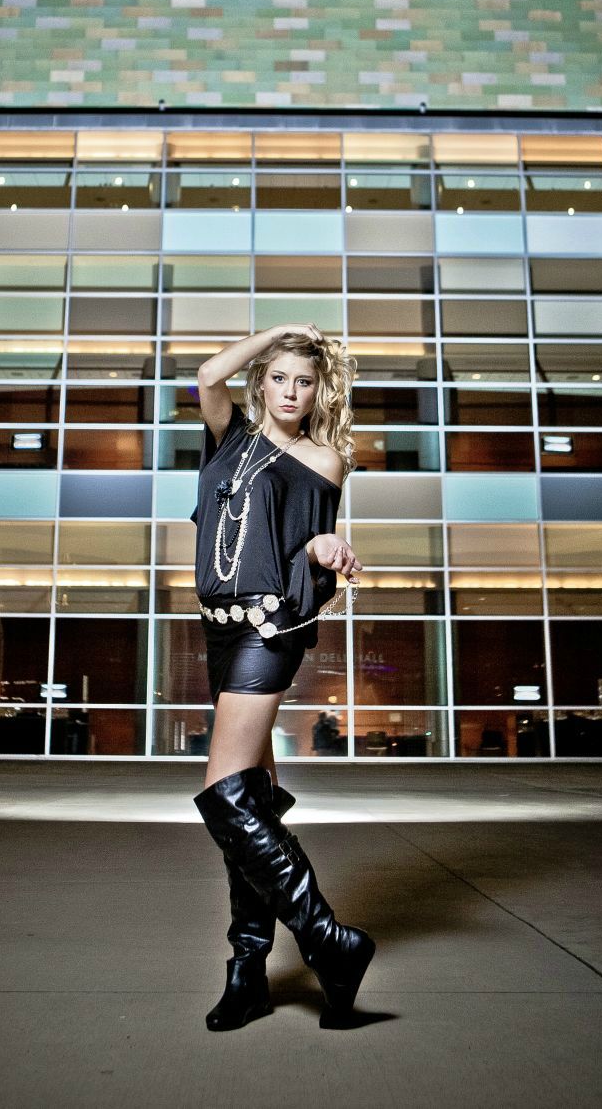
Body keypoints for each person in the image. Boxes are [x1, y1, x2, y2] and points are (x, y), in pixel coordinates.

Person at [190, 322, 376, 1031]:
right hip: (221, 627)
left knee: (224, 789)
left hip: (272, 628)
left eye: (304, 381)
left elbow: (312, 543)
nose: (292, 392)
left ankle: (329, 938)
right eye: (279, 378)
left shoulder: (325, 460)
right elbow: (207, 376)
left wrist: (328, 545)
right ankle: (248, 972)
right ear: (261, 383)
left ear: (316, 389)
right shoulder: (230, 434)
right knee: (252, 805)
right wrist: (273, 334)